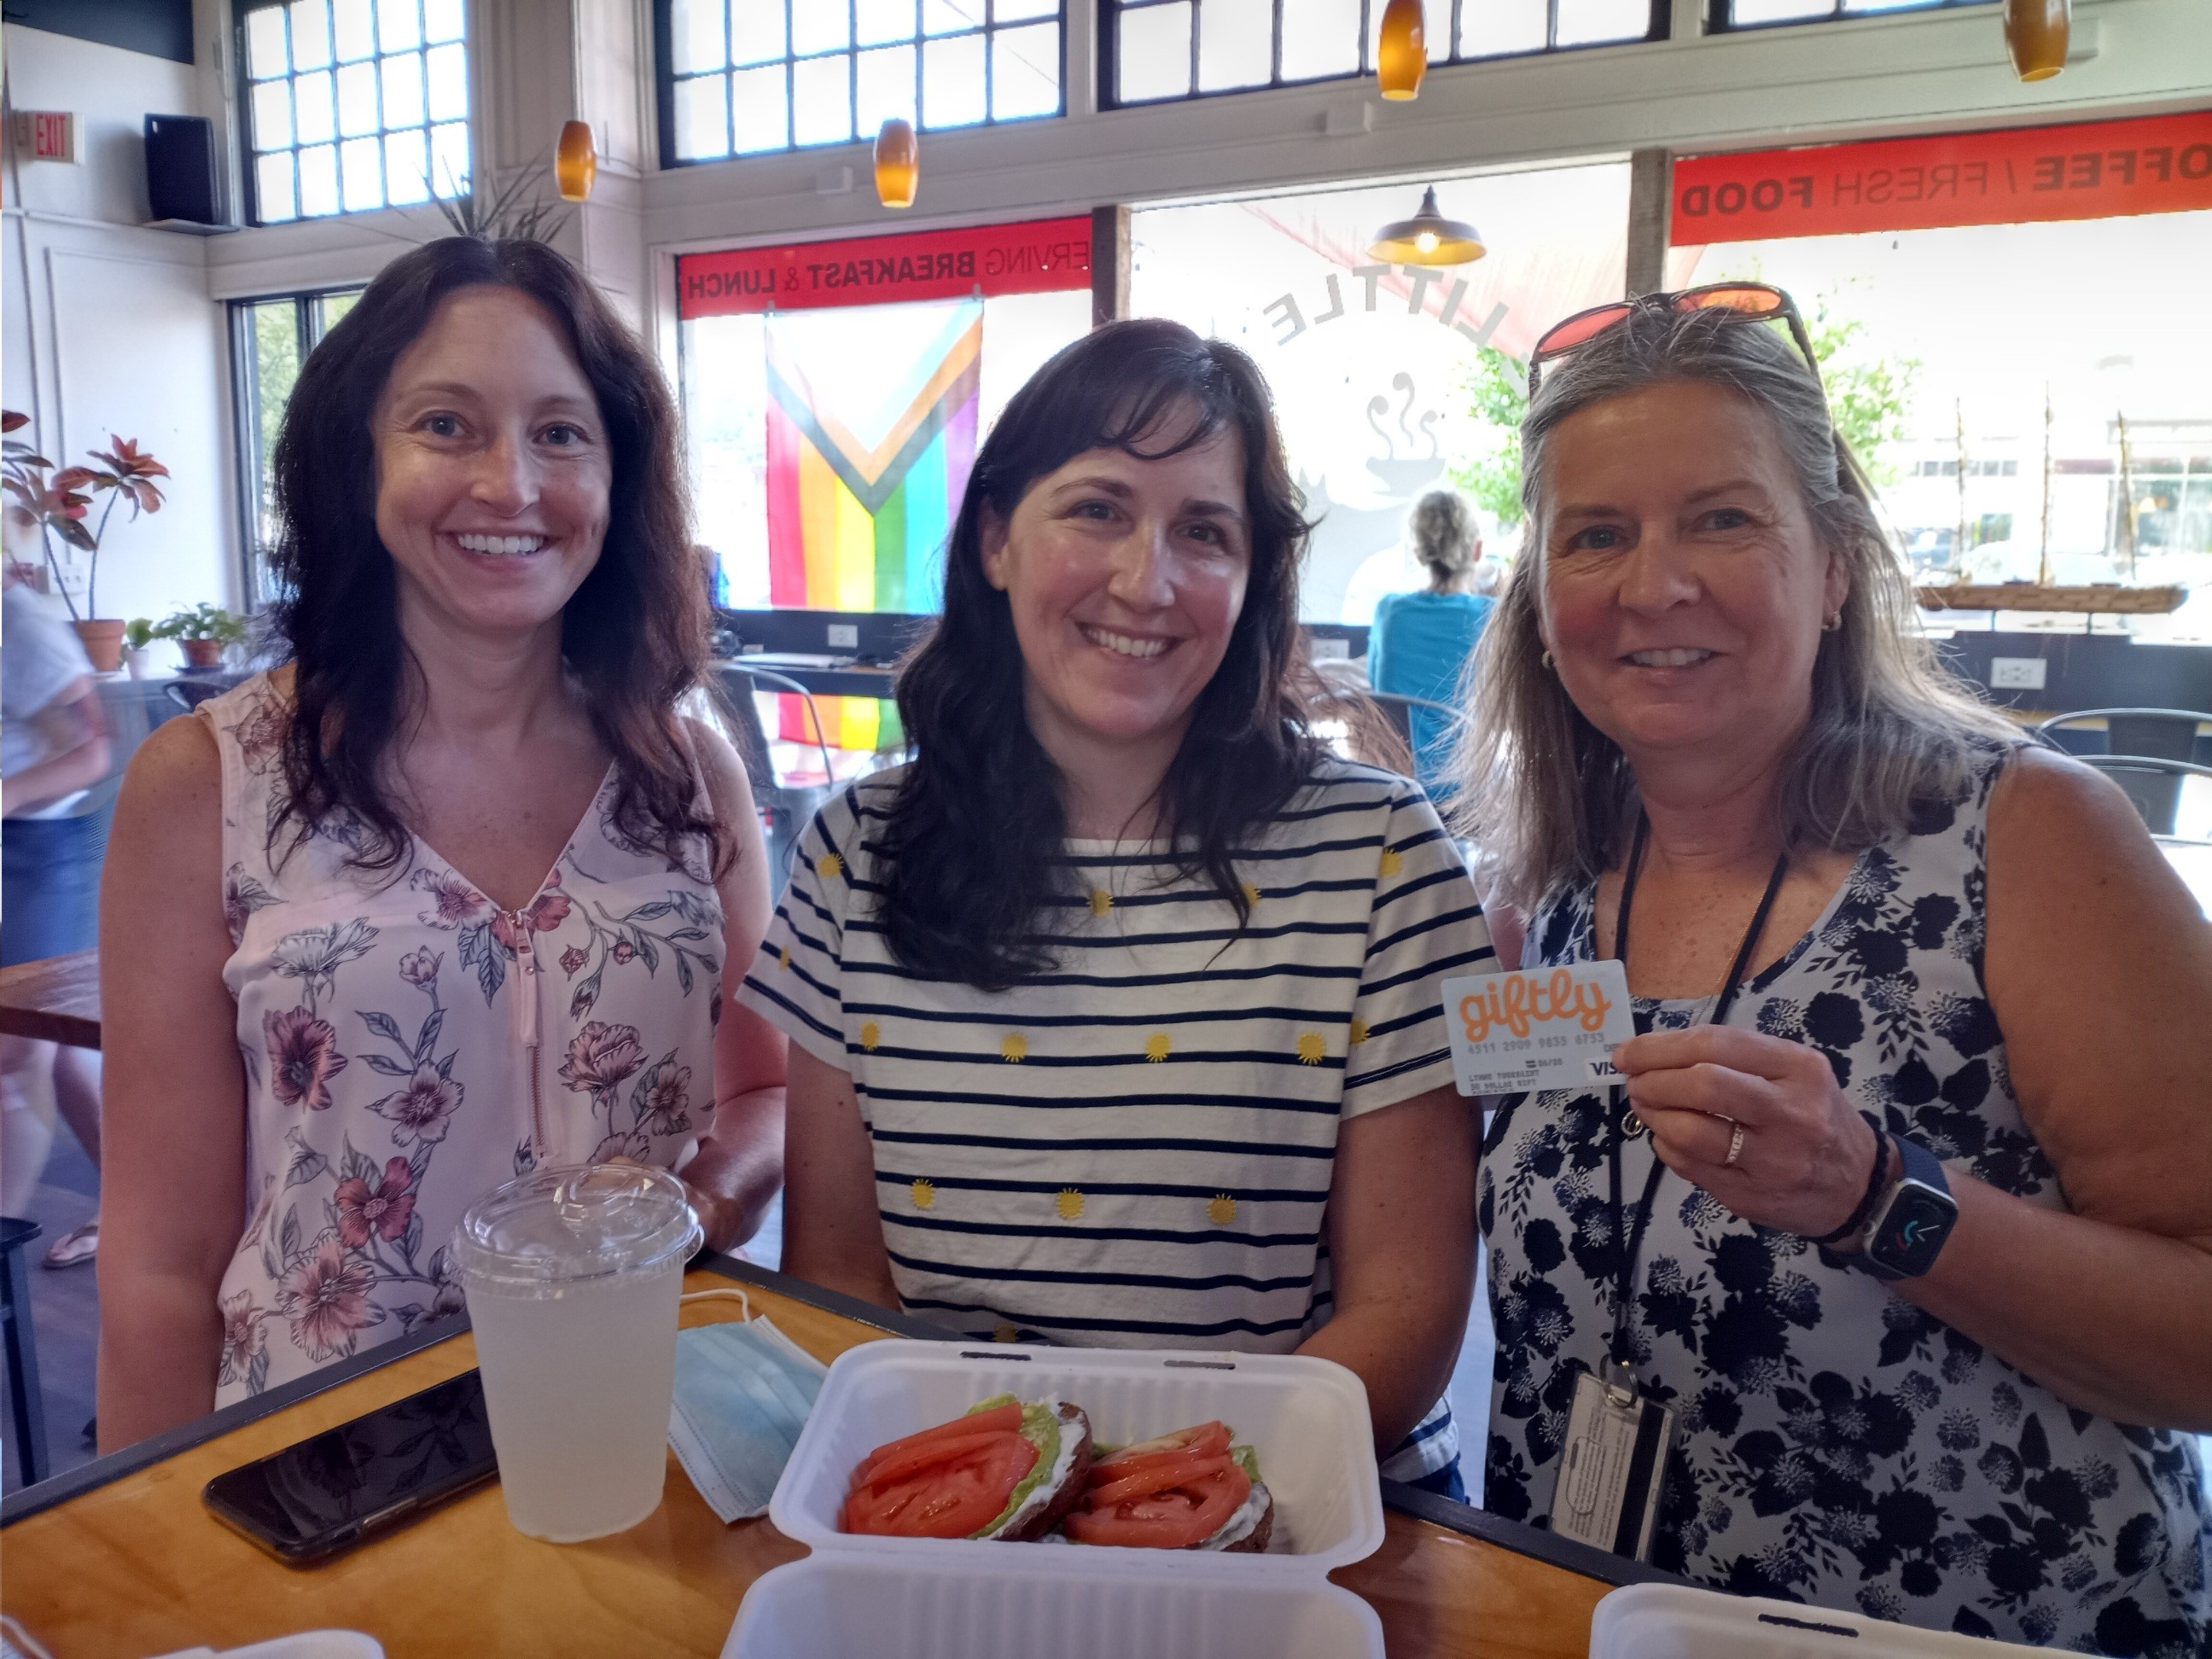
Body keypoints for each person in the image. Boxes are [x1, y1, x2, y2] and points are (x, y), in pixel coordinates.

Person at [1456, 286, 2210, 1651]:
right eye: (1598, 535)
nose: (1653, 585)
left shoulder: (2023, 836)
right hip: (1596, 1614)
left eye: (1722, 518)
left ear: (1838, 564)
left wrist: (1877, 1196)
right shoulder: (1539, 886)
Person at [742, 320, 1492, 1493]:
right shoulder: (857, 849)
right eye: (1097, 509)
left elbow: (1404, 1319)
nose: (1148, 580)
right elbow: (843, 1279)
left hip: (1295, 1508)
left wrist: (1140, 1514)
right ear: (996, 538)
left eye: (1204, 531)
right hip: (958, 1507)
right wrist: (1004, 1512)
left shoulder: (1382, 850)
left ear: (1252, 580)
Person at [97, 238, 788, 1447]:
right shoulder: (211, 780)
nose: (512, 485)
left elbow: (767, 1084)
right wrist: (153, 1587)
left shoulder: (685, 768)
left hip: (649, 1414)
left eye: (563, 434)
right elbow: (159, 1259)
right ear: (355, 456)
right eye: (446, 425)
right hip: (330, 1445)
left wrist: (713, 1198)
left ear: (622, 475)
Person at [1, 555, 110, 1264]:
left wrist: (5, 796)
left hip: (42, 845)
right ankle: (134, 1211)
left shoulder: (21, 624)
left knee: (15, 1051)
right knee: (62, 1053)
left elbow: (96, 748)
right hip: (17, 836)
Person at [1367, 489, 1494, 799]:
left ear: (1418, 551)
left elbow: (1376, 689)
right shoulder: (1490, 618)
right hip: (1465, 796)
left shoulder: (1389, 611)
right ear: (1476, 551)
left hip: (1394, 790)